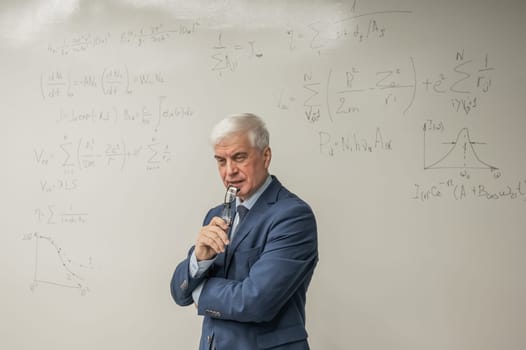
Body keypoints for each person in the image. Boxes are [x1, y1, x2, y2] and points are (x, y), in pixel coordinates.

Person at [170, 113, 318, 350]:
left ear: (266, 156)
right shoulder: (215, 214)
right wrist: (198, 260)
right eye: (221, 161)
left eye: (239, 157)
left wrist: (200, 292)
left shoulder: (293, 216)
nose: (229, 171)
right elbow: (180, 293)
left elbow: (256, 301)